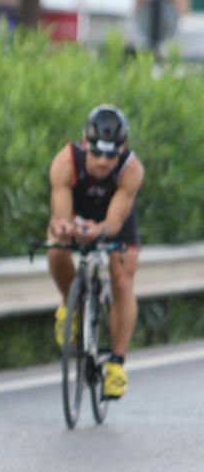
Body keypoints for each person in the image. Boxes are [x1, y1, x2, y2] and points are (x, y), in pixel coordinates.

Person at [46, 104, 144, 399]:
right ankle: (70, 305)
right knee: (55, 248)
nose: (103, 162)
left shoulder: (131, 170)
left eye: (111, 155)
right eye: (97, 153)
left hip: (115, 217)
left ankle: (116, 363)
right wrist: (66, 228)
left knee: (122, 279)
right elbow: (61, 216)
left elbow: (114, 222)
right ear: (85, 143)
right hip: (78, 210)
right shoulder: (65, 162)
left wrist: (99, 230)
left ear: (122, 149)